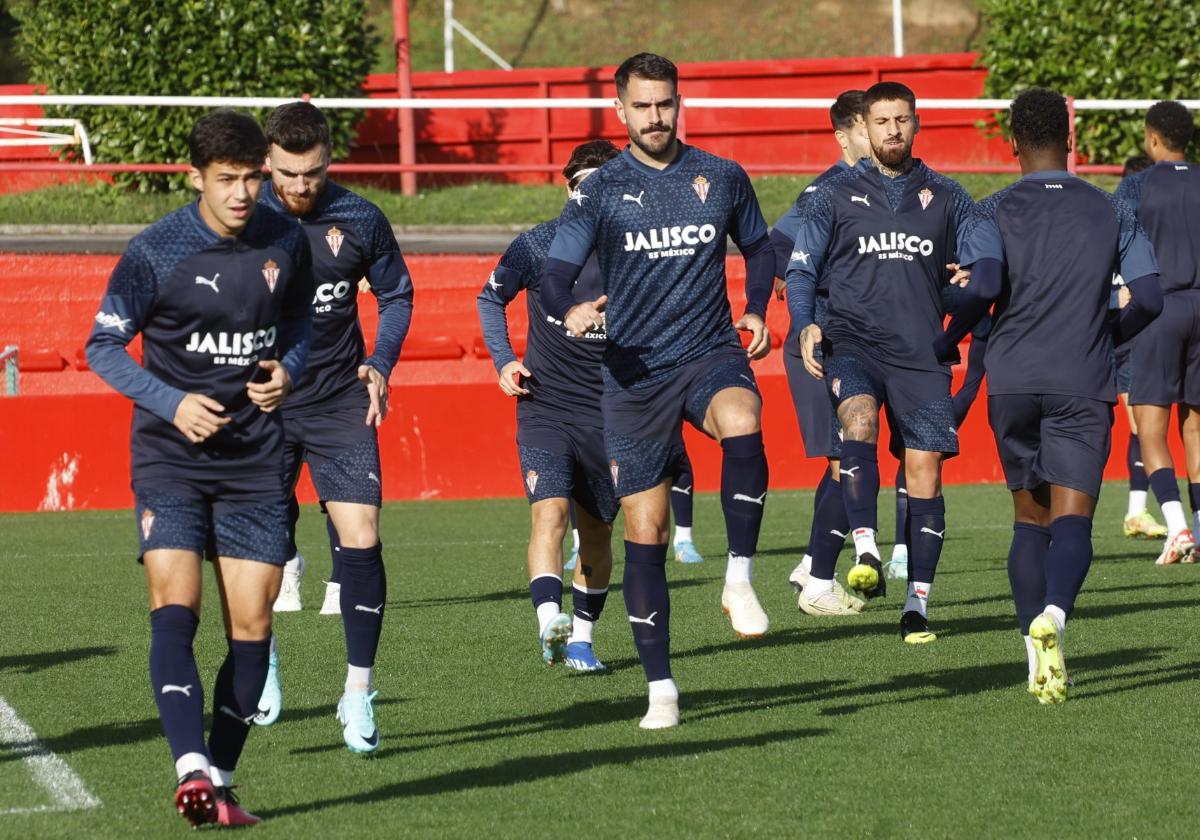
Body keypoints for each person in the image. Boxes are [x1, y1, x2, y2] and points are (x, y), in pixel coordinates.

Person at [85, 110, 314, 826]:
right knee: (174, 610)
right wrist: (171, 402)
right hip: (171, 456)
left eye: (254, 178)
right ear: (196, 180)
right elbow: (102, 347)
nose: (244, 193)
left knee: (252, 629)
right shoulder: (156, 251)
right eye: (228, 181)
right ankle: (189, 766)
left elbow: (305, 324)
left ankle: (218, 777)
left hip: (255, 459)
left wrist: (288, 372)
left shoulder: (286, 239)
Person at [540, 52, 776, 729]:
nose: (655, 116)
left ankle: (738, 578)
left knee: (743, 416)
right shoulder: (600, 190)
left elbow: (759, 248)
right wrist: (571, 310)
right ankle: (662, 689)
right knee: (644, 528)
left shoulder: (721, 176)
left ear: (679, 103)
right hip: (633, 377)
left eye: (665, 103)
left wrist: (757, 307)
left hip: (707, 351)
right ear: (620, 111)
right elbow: (557, 273)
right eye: (642, 105)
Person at [945, 87, 1162, 703]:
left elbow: (982, 284)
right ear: (1070, 141)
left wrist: (949, 336)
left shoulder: (989, 211)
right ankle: (1056, 620)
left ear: (1011, 143)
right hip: (1082, 378)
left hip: (1011, 379)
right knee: (1073, 521)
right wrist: (1105, 333)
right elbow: (1148, 297)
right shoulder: (1110, 209)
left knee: (1027, 520)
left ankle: (1028, 654)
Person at [787, 81, 974, 644]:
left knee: (924, 471)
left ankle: (917, 605)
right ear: (863, 130)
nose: (892, 130)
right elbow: (799, 268)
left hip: (921, 356)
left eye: (902, 119)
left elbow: (977, 268)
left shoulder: (948, 196)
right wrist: (805, 322)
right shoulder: (830, 194)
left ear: (916, 124)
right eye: (882, 121)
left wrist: (969, 280)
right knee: (858, 422)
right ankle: (865, 544)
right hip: (854, 344)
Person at [254, 101, 414, 754]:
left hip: (338, 401)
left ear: (328, 159)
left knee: (363, 536)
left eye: (313, 173)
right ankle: (258, 655)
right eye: (289, 174)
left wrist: (379, 362)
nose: (300, 186)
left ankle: (357, 691)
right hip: (260, 405)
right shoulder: (240, 218)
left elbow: (397, 293)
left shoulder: (359, 218)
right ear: (268, 162)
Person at [476, 139, 620, 673]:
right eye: (583, 185)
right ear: (568, 188)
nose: (591, 196)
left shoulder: (641, 254)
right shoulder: (538, 245)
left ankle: (582, 640)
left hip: (615, 412)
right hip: (547, 405)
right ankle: (548, 624)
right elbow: (490, 297)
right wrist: (503, 360)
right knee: (550, 513)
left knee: (599, 535)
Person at [771, 89, 872, 617]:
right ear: (843, 136)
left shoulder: (881, 187)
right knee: (844, 459)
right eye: (865, 128)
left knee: (846, 457)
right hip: (822, 341)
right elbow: (775, 245)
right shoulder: (828, 188)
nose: (877, 136)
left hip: (860, 340)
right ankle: (817, 581)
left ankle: (813, 561)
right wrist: (793, 284)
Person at [1115, 103, 1200, 564]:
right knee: (1196, 424)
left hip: (1160, 305)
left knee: (1149, 426)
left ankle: (1177, 527)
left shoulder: (1138, 183)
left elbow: (1112, 237)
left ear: (1151, 138)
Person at [1112, 154, 1167, 541]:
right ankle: (1138, 511)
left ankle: (1136, 510)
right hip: (1126, 333)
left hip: (1113, 331)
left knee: (1139, 425)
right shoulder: (1138, 235)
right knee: (1142, 425)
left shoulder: (1110, 221)